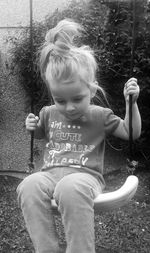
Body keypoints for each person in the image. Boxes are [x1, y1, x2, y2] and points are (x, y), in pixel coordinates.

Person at [16, 19, 141, 253]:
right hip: (49, 176)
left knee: (69, 187)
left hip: (84, 178)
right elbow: (40, 133)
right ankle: (46, 249)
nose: (69, 107)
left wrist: (130, 104)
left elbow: (130, 132)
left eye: (77, 99)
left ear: (91, 91)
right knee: (28, 185)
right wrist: (31, 125)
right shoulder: (48, 113)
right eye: (60, 100)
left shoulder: (100, 115)